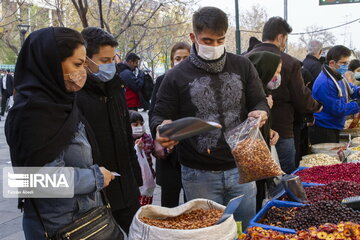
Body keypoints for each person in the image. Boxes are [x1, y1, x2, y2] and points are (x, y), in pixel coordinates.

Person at [150, 7, 269, 227]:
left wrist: (261, 112)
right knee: (205, 232)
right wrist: (161, 127)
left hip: (241, 167)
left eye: (220, 40)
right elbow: (159, 114)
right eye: (207, 40)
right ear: (193, 37)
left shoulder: (243, 65)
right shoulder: (175, 76)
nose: (214, 46)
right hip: (198, 174)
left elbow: (259, 100)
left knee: (244, 229)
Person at [5, 27, 116, 239]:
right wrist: (95, 177)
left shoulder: (62, 103)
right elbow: (30, 182)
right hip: (60, 227)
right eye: (77, 64)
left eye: (84, 65)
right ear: (50, 62)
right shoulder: (31, 113)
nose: (82, 71)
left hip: (83, 218)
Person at [76, 27, 142, 234]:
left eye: (113, 59)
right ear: (86, 60)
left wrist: (135, 179)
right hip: (95, 192)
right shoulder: (73, 96)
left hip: (125, 187)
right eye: (104, 61)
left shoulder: (116, 88)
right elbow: (30, 182)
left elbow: (125, 135)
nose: (111, 65)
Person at [246, 16, 322, 174]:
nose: (285, 44)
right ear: (280, 37)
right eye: (285, 39)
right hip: (283, 128)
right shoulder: (289, 62)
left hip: (252, 131)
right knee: (284, 176)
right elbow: (301, 97)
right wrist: (316, 106)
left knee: (257, 176)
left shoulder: (244, 58)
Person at [149, 41, 191, 208]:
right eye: (177, 58)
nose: (181, 61)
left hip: (190, 152)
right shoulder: (162, 80)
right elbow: (154, 113)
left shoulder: (197, 81)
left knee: (192, 205)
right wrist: (157, 137)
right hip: (169, 152)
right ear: (172, 60)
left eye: (186, 58)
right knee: (169, 203)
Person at [247, 51, 281, 211]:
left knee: (260, 195)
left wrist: (270, 130)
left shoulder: (265, 93)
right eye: (277, 72)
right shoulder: (250, 93)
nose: (277, 77)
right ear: (265, 69)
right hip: (250, 159)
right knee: (253, 198)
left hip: (261, 156)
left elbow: (263, 123)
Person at [309, 46, 360, 145]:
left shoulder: (337, 76)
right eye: (343, 63)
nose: (346, 66)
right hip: (324, 129)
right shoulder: (325, 82)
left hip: (334, 126)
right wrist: (358, 104)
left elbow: (349, 89)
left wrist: (358, 92)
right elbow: (338, 109)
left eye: (347, 63)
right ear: (332, 63)